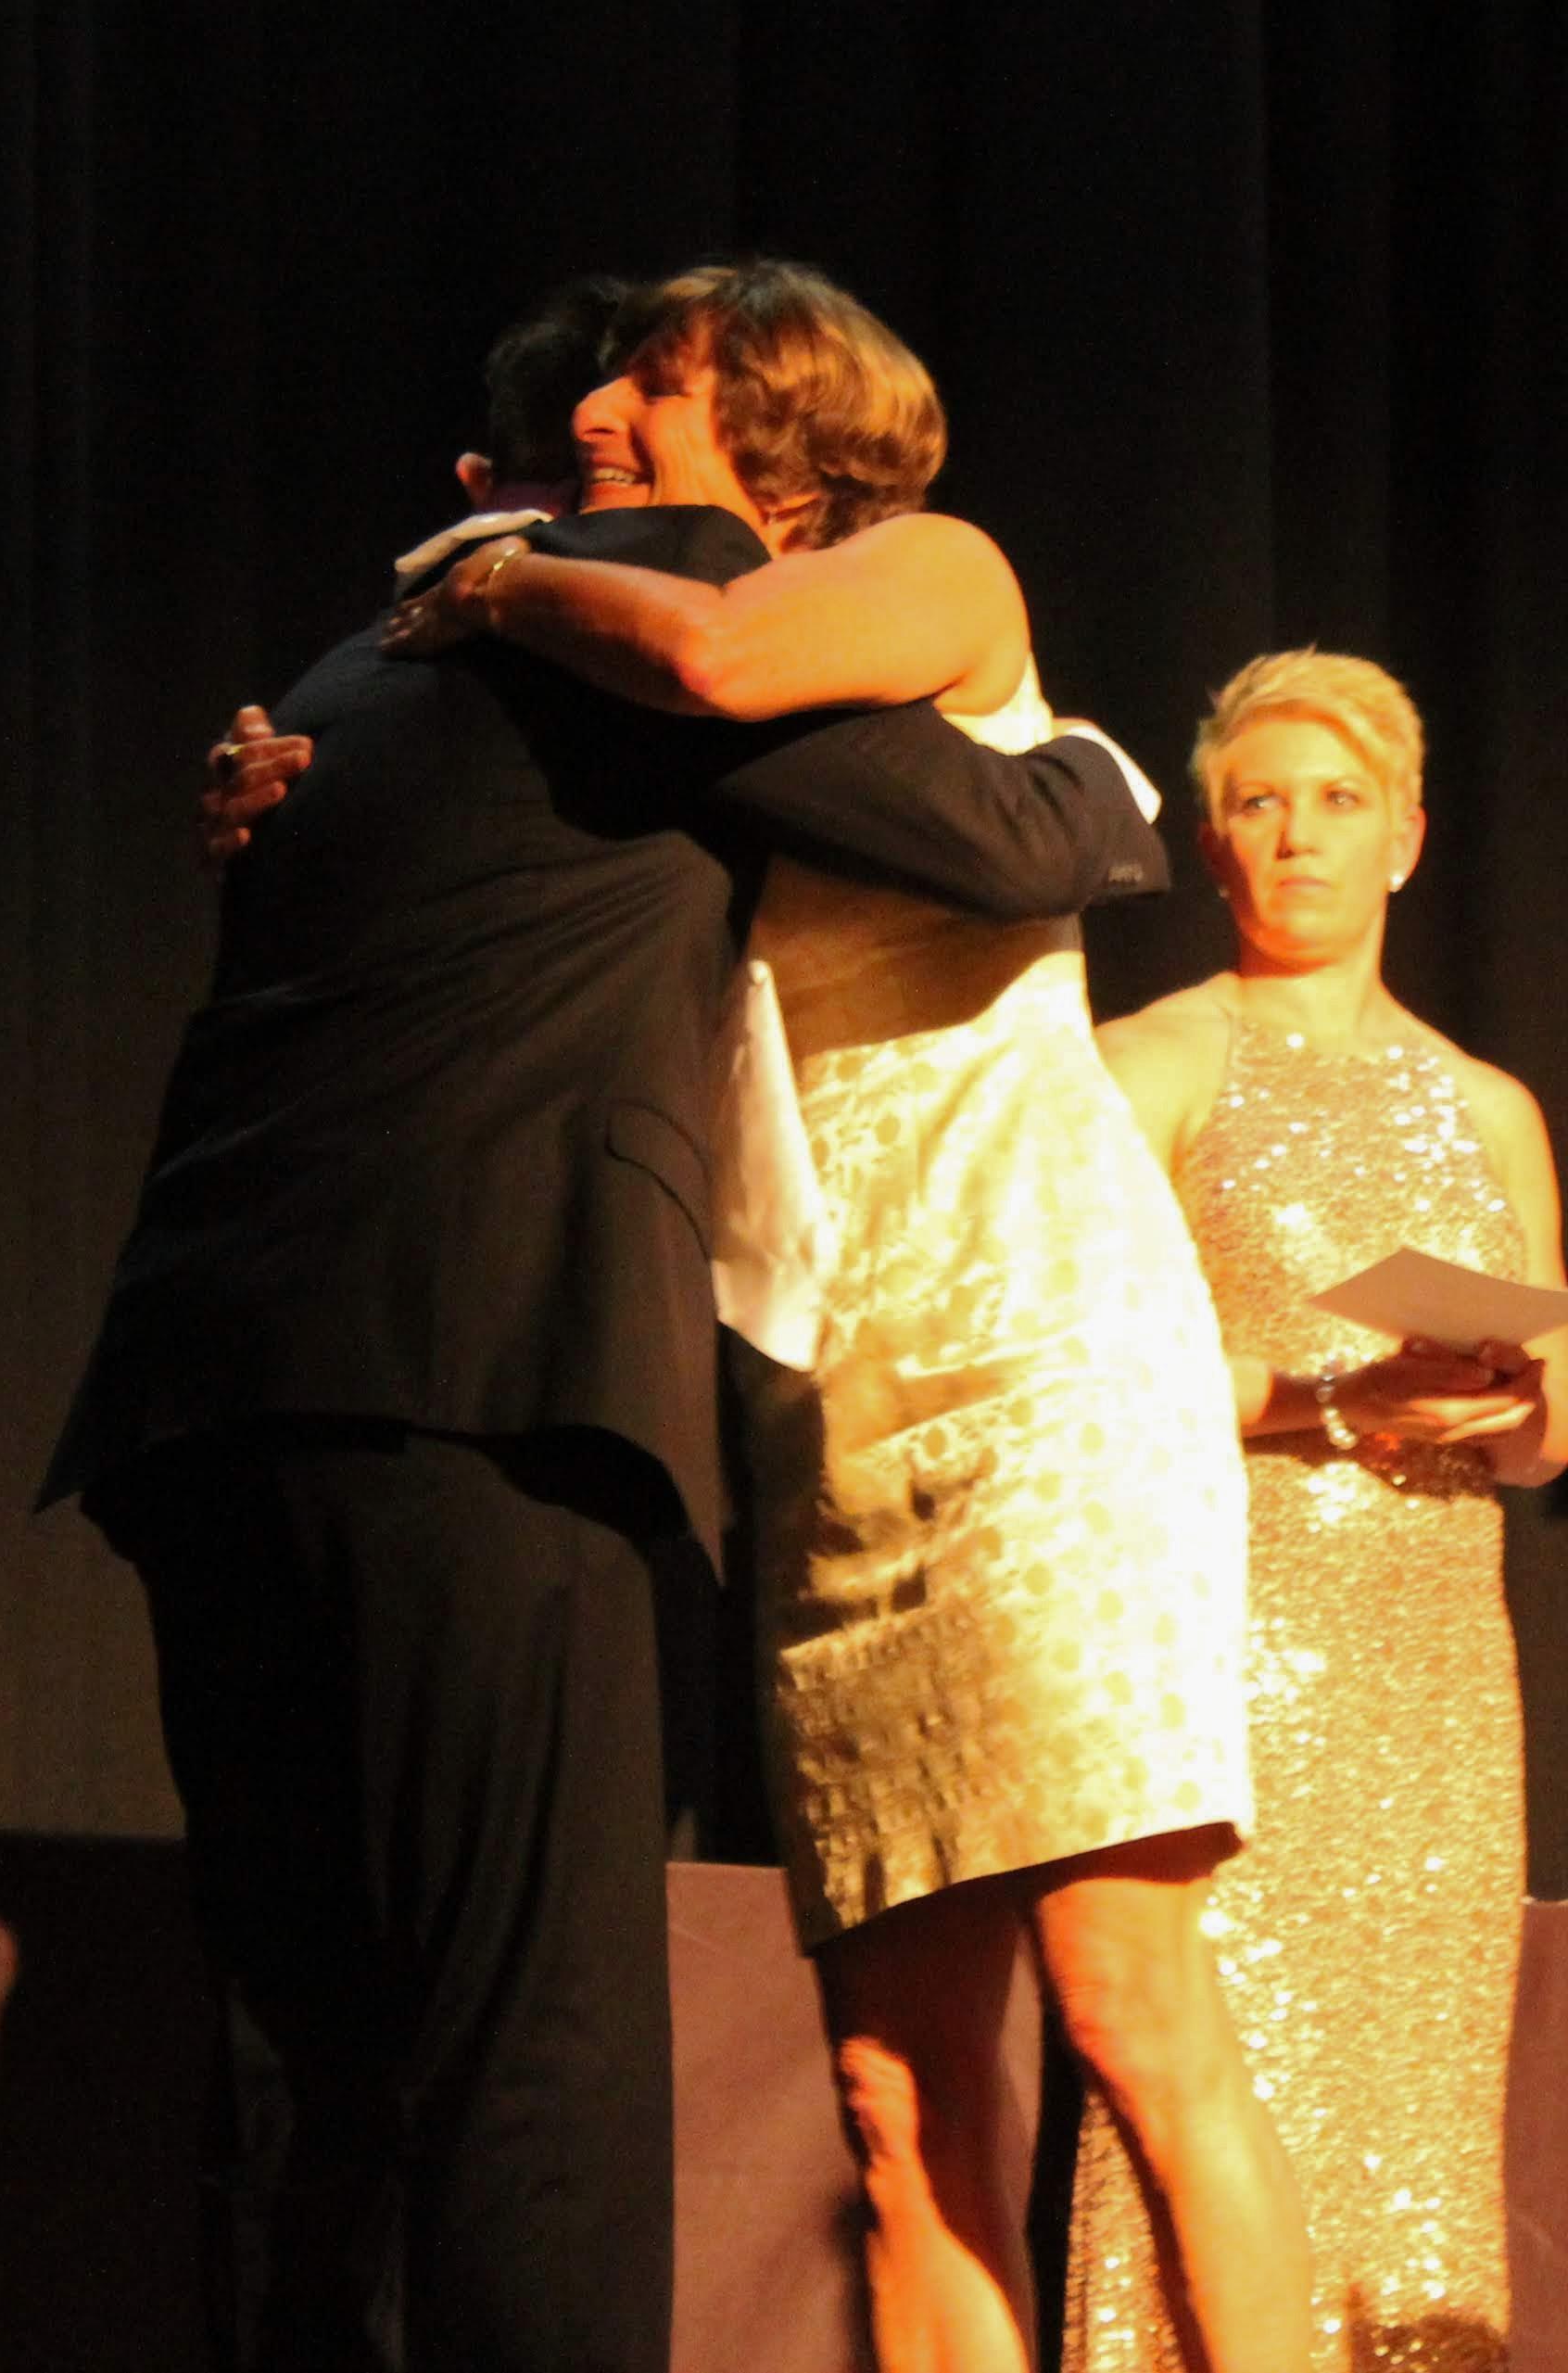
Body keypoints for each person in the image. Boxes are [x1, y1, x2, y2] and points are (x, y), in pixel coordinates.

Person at [43, 282, 1172, 2373]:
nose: (612, 411)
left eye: (657, 382)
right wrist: (1110, 789)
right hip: (478, 1382)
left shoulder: (365, 652)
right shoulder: (633, 613)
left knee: (319, 2066)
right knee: (531, 2054)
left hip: (207, 1387)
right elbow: (1004, 838)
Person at [384, 258, 1310, 2373]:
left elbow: (718, 653)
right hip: (837, 1393)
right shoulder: (601, 670)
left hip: (1046, 1353)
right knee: (894, 2103)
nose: (609, 403)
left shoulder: (930, 573)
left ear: (778, 404)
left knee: (1130, 2009)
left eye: (658, 374)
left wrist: (505, 581)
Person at [1061, 650, 1566, 2373]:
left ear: (1409, 839)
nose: (1298, 837)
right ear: (1213, 848)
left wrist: (1518, 1390)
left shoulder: (1488, 1104)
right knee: (1220, 2101)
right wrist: (1321, 1395)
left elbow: (1552, 1428)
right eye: (1258, 805)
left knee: (1414, 2141)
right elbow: (1080, 1375)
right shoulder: (1153, 1063)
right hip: (1231, 1647)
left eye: (1337, 801)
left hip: (1435, 1668)